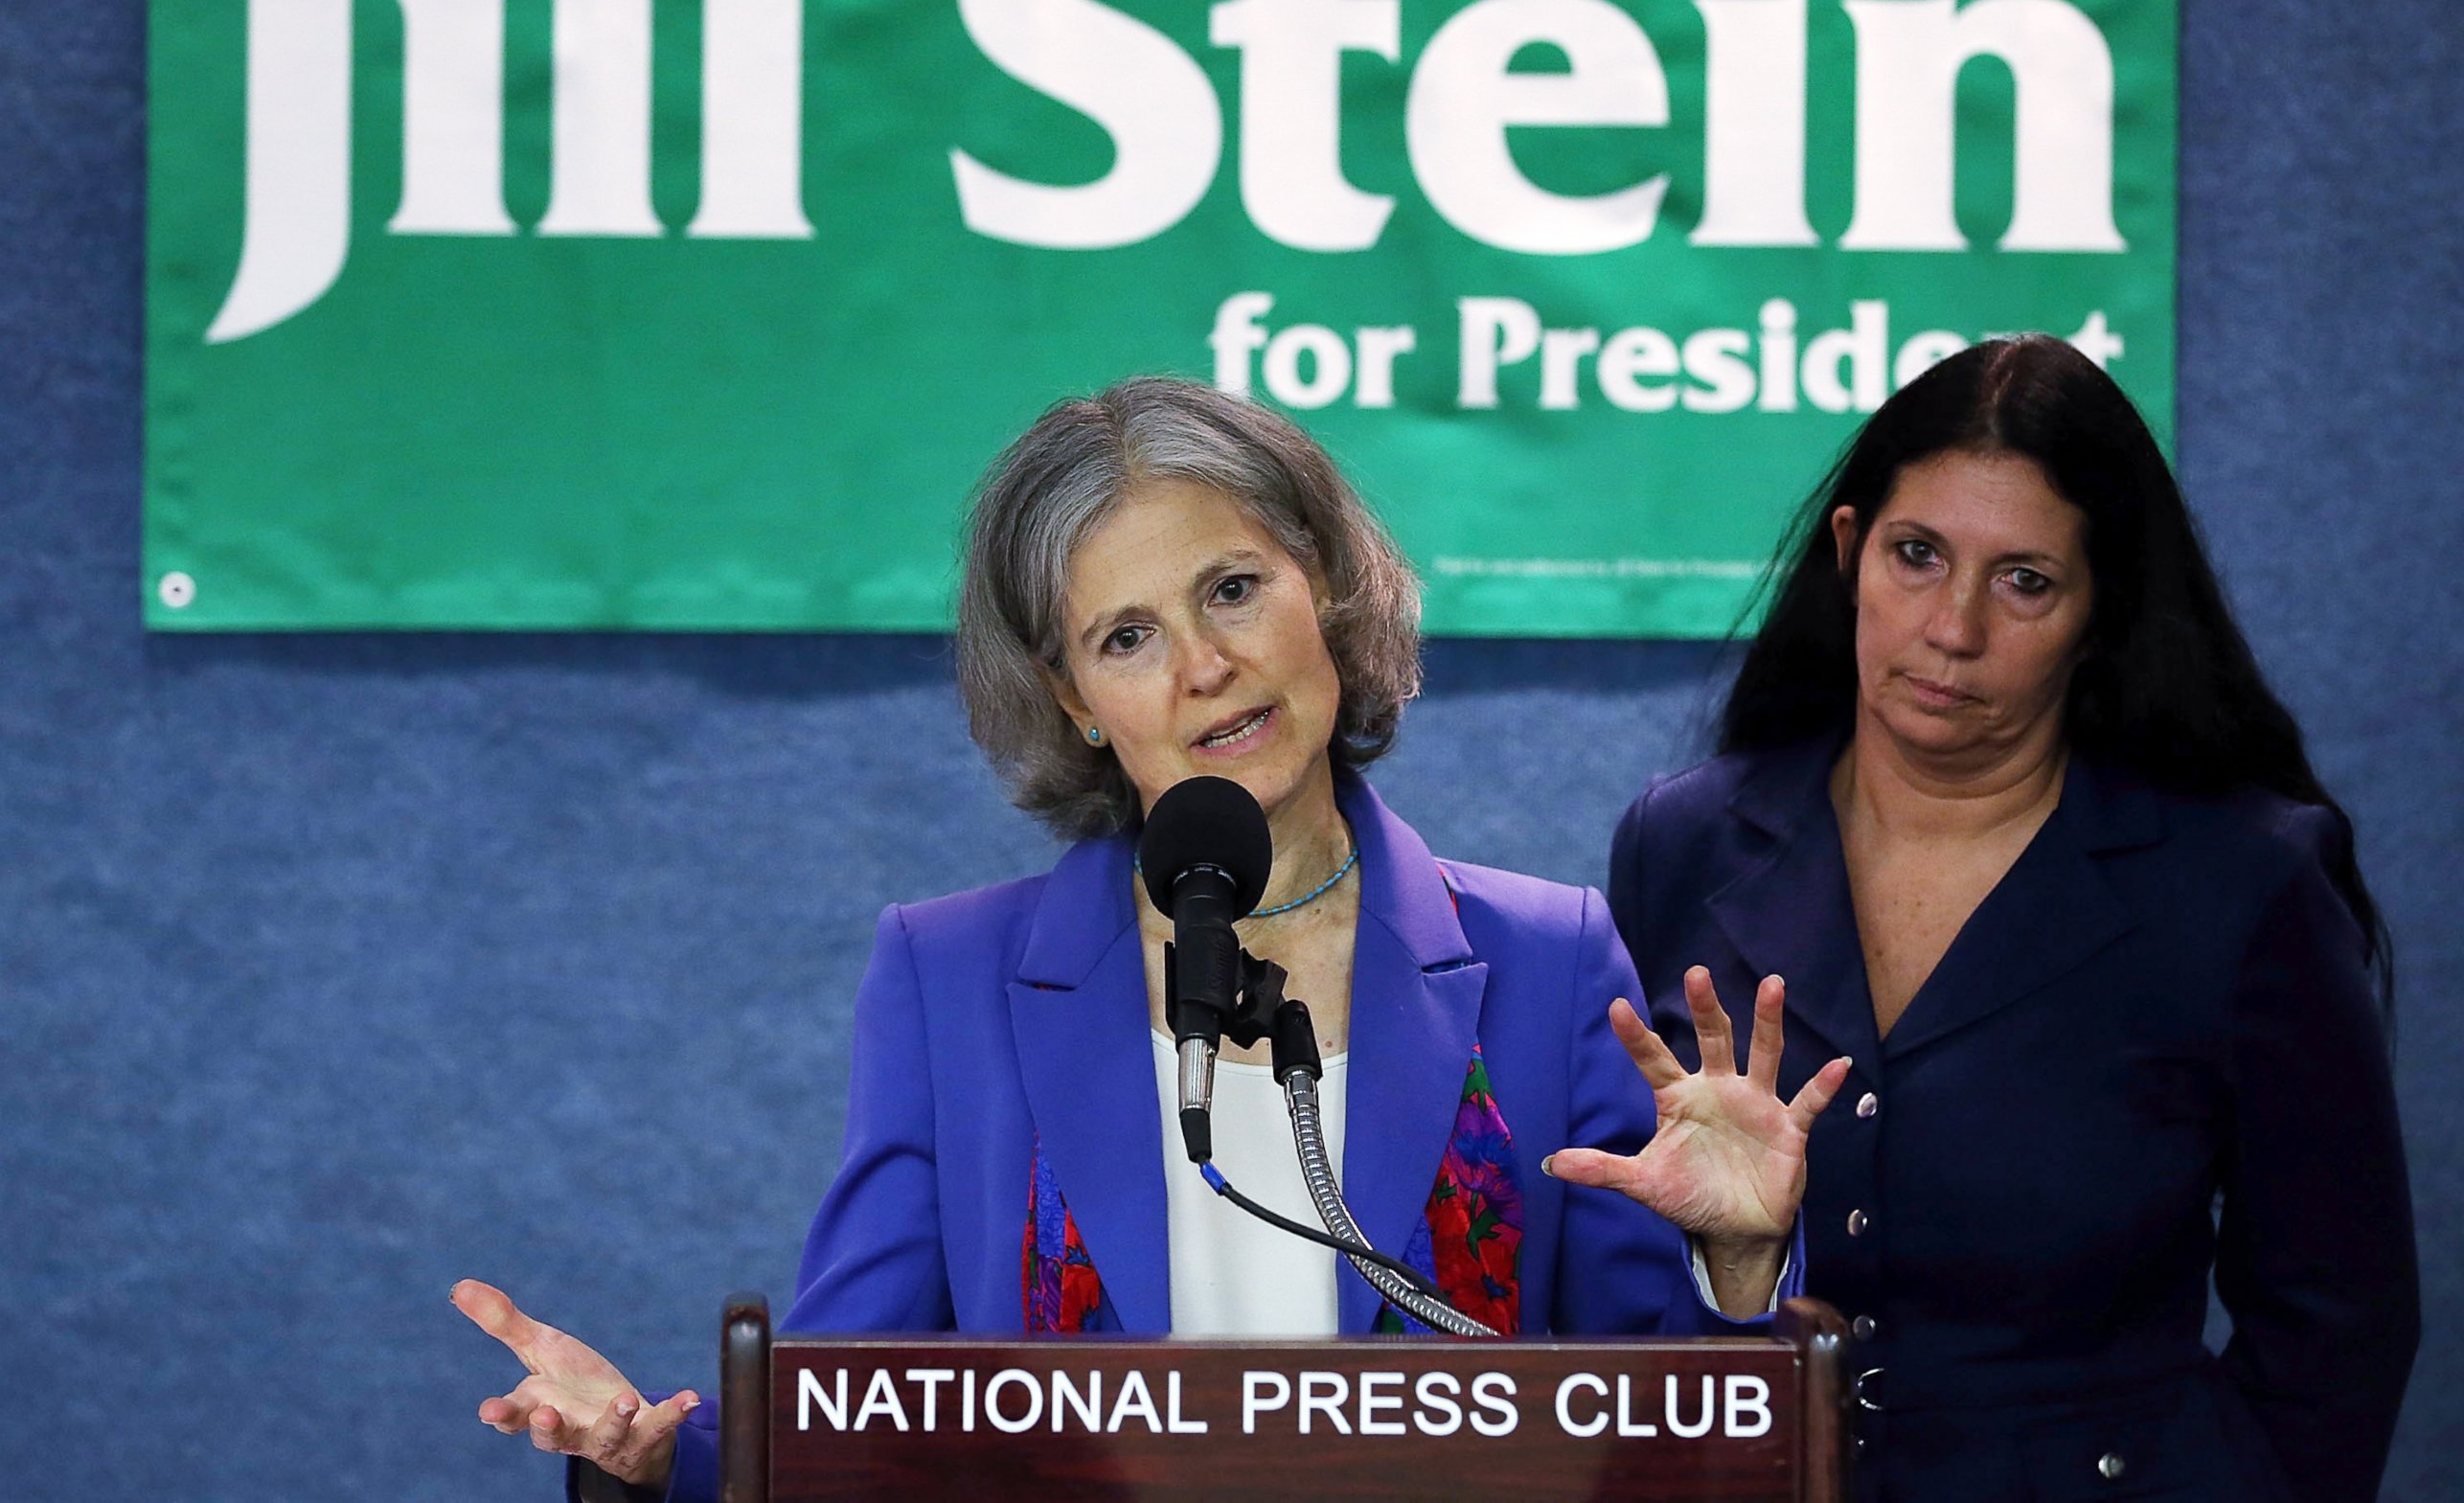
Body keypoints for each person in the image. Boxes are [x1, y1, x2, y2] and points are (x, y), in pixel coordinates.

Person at [457, 376, 1851, 1502]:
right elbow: (857, 1425)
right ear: (1071, 700)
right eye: (1126, 635)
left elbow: (1658, 1438)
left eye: (1233, 589)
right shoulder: (952, 980)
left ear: (1328, 587)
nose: (1201, 667)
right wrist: (653, 1455)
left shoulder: (1549, 960)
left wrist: (1736, 1266)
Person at [1608, 334, 2420, 1503]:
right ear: (1850, 553)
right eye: (1917, 556)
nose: (1953, 628)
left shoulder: (2243, 879)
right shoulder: (1682, 841)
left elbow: (2340, 1324)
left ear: (2101, 611)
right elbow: (1636, 1265)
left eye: (2025, 581)